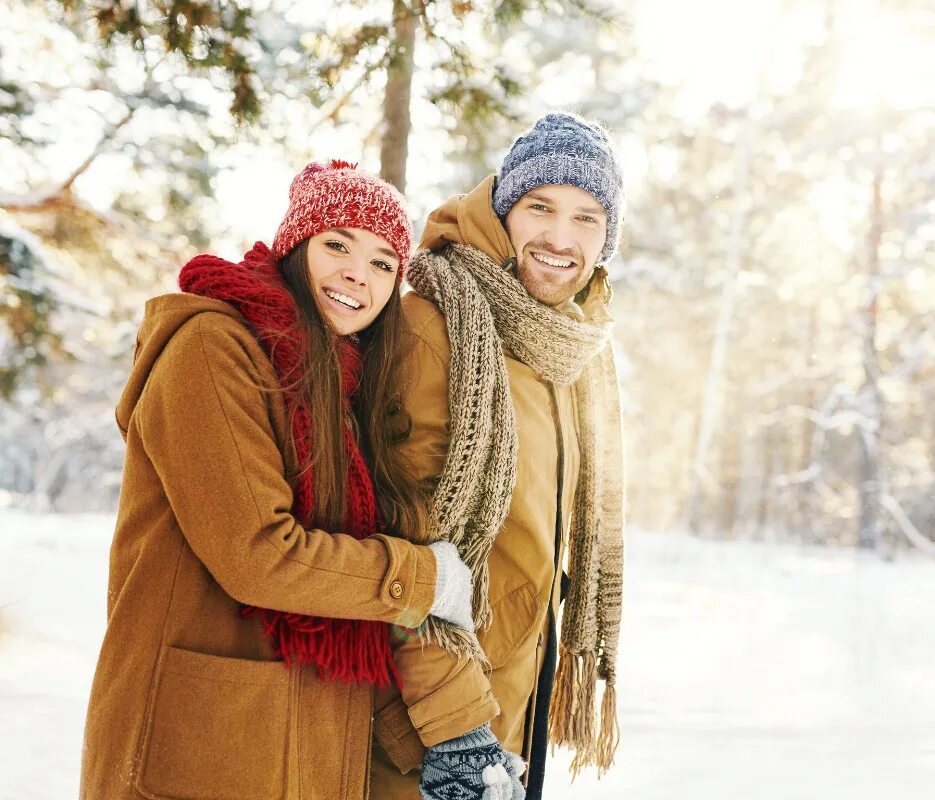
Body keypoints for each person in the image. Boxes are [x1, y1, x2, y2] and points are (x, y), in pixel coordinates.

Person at [79, 160, 510, 800]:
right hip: (192, 748)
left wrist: (448, 734)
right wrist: (424, 577)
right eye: (337, 244)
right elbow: (259, 553)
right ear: (294, 247)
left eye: (383, 263)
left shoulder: (343, 384)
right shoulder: (211, 349)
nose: (356, 275)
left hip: (294, 740)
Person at [368, 112, 627, 800]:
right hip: (432, 734)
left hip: (513, 709)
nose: (560, 238)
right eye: (540, 207)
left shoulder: (565, 348)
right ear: (504, 210)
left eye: (587, 217)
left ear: (607, 240)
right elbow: (405, 540)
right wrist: (456, 731)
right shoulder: (438, 326)